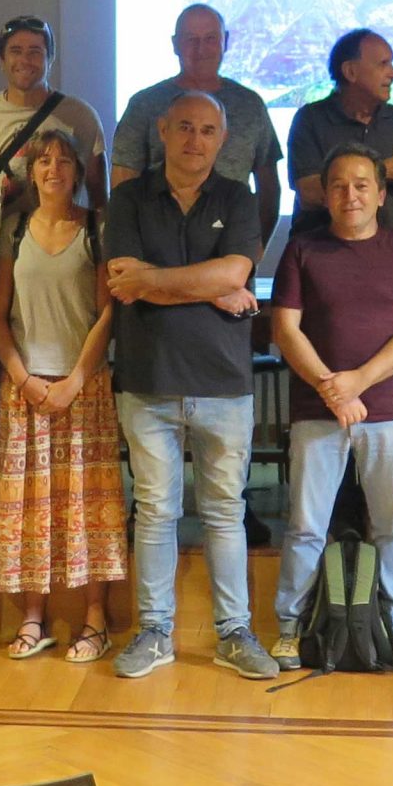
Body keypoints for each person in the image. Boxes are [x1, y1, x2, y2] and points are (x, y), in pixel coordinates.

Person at [104, 92, 276, 681]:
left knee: (225, 511)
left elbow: (234, 272)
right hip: (148, 377)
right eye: (184, 127)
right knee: (155, 511)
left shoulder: (240, 198)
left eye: (207, 130)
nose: (194, 140)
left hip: (223, 381)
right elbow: (124, 283)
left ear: (222, 139)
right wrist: (208, 285)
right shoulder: (126, 197)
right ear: (162, 130)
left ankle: (234, 633)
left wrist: (169, 279)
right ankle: (154, 633)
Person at [268, 147, 393, 674]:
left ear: (381, 195)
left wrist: (357, 383)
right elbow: (285, 329)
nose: (351, 195)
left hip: (385, 409)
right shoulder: (301, 250)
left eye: (362, 185)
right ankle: (290, 629)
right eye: (339, 185)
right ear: (326, 193)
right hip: (316, 410)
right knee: (305, 526)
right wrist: (330, 387)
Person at [0, 130, 124, 662]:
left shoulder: (95, 228)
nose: (54, 170)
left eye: (64, 161)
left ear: (79, 172)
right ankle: (33, 618)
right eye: (44, 161)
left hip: (83, 387)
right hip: (25, 388)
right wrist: (22, 378)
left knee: (89, 504)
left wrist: (75, 380)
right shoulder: (12, 230)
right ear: (31, 172)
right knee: (29, 507)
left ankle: (94, 620)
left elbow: (106, 312)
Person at [110, 2, 285, 243]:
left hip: (231, 256)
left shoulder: (250, 105)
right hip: (156, 254)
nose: (200, 48)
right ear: (174, 44)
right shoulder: (144, 104)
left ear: (226, 40)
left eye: (210, 38)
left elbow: (269, 188)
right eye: (190, 39)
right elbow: (123, 183)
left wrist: (254, 251)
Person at [0, 15, 107, 212]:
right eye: (15, 51)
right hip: (1, 239)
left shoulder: (81, 117)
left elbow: (100, 202)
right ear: (2, 60)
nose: (25, 60)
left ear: (50, 58)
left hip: (66, 236)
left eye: (35, 52)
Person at [287, 29, 393, 237]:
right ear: (350, 71)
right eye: (383, 64)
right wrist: (383, 172)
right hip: (322, 256)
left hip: (392, 258)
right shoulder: (311, 120)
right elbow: (308, 193)